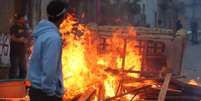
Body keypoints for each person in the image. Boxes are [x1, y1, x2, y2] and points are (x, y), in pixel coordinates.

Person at [27, 1, 69, 101]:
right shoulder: (53, 38)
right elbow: (49, 68)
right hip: (45, 94)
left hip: (37, 89)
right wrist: (51, 93)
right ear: (62, 16)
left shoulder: (44, 33)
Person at [9, 14, 28, 79]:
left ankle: (21, 84)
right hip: (15, 52)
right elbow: (12, 38)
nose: (24, 20)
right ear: (19, 19)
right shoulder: (14, 27)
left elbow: (28, 37)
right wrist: (21, 40)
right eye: (22, 18)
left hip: (22, 52)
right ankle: (11, 85)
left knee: (24, 70)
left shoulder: (25, 27)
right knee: (14, 69)